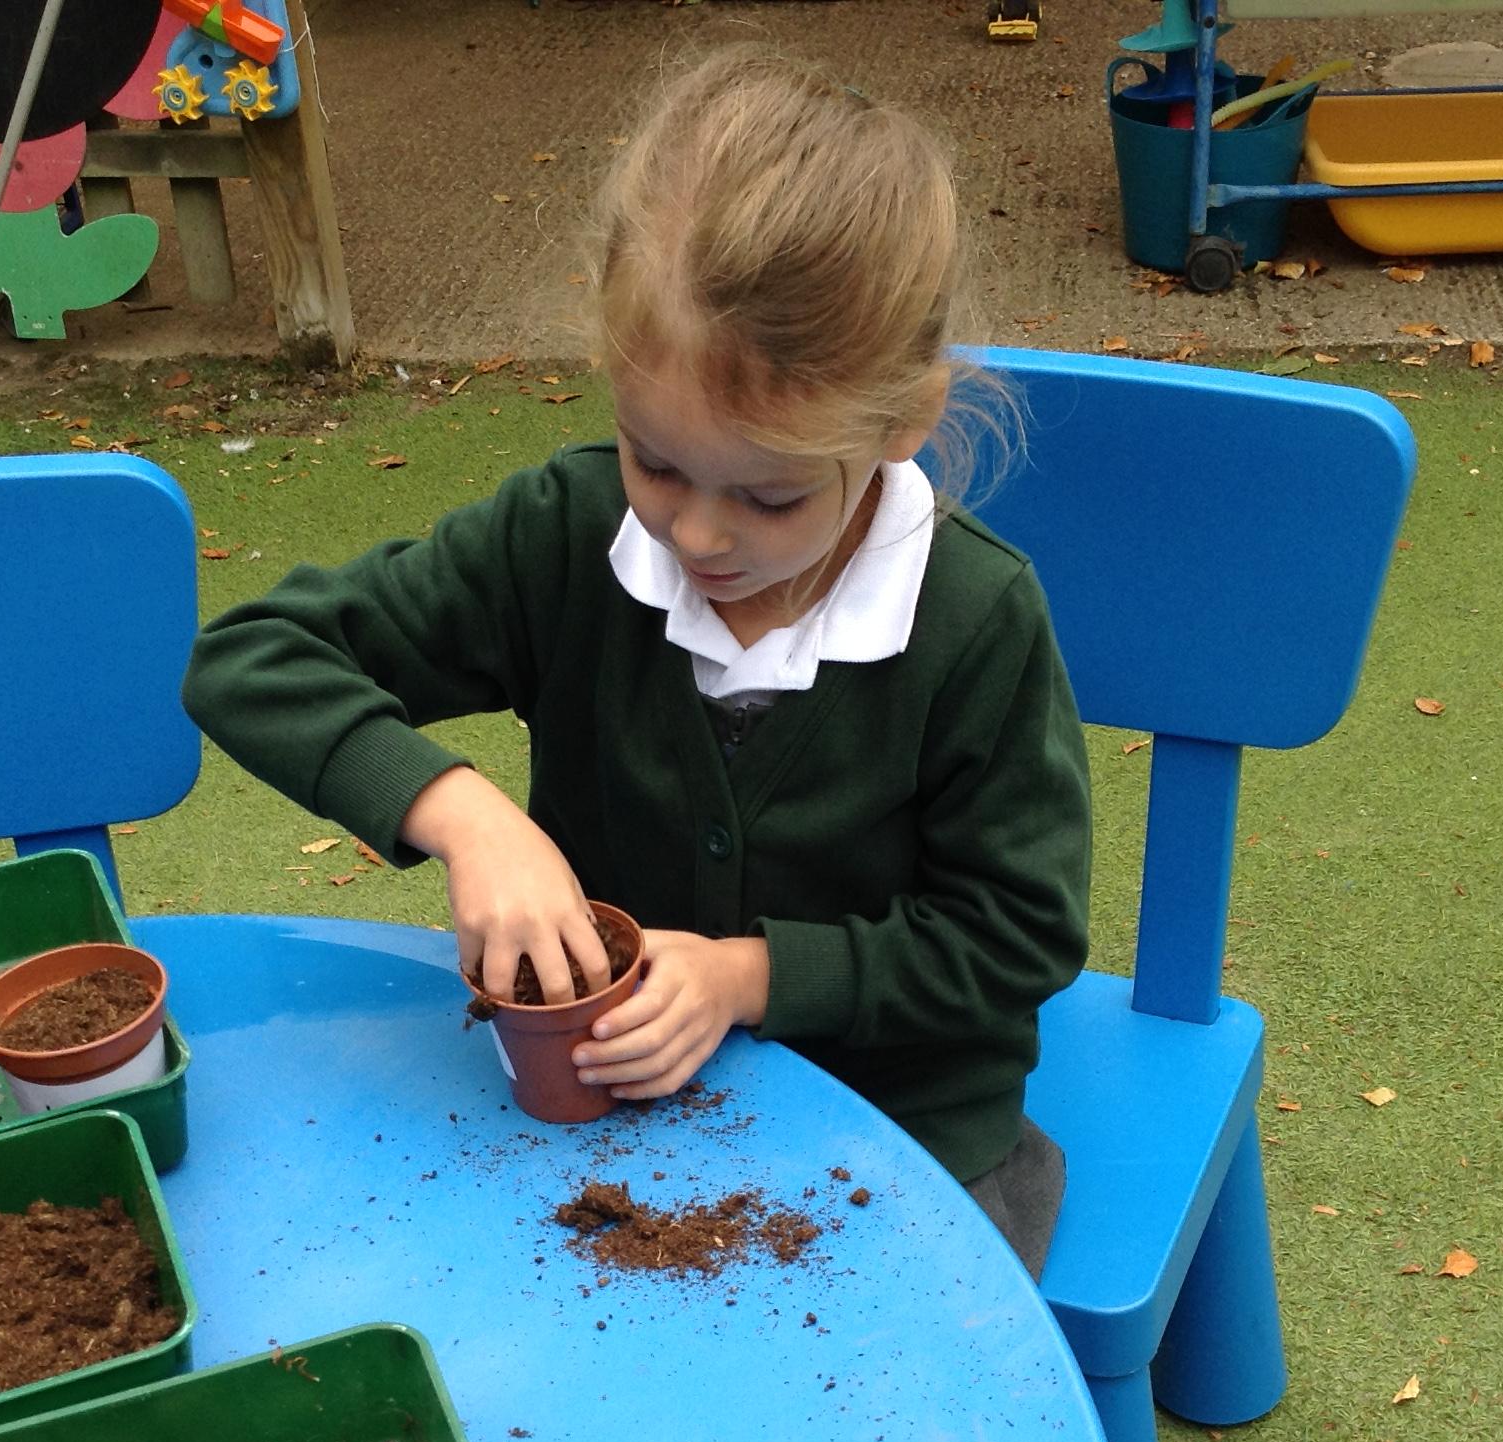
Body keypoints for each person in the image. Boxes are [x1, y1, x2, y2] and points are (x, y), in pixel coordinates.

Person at [183, 46, 1091, 1278]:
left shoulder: (974, 619)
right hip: (606, 1111)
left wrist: (747, 977)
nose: (699, 535)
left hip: (901, 1126)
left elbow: (1014, 938)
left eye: (769, 495)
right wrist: (463, 816)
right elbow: (252, 656)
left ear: (902, 421)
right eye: (655, 461)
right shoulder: (566, 536)